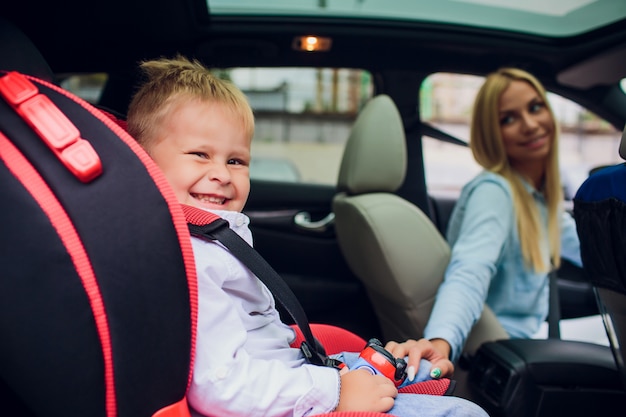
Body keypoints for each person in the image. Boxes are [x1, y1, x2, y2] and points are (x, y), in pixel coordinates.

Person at [126, 55, 488, 417]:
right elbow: (222, 385)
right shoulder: (192, 260)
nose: (221, 173)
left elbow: (262, 341)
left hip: (287, 376)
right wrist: (334, 391)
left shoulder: (211, 239)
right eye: (200, 155)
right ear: (144, 162)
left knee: (419, 370)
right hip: (278, 394)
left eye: (236, 161)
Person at [399, 68, 582, 373]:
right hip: (508, 355)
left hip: (527, 343)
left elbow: (592, 251)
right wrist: (440, 342)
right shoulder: (495, 192)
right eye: (508, 119)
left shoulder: (537, 201)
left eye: (535, 107)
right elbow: (469, 272)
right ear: (491, 134)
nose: (530, 125)